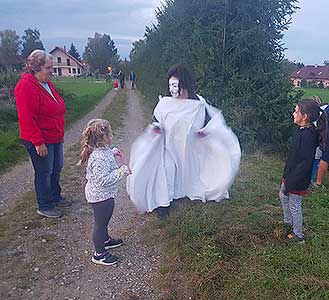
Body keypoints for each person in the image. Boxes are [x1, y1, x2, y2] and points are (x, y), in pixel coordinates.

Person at [126, 64, 241, 216]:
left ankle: (180, 193)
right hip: (167, 148)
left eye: (175, 85)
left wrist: (205, 133)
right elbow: (156, 121)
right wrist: (156, 128)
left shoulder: (198, 105)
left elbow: (211, 123)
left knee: (188, 174)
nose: (172, 89)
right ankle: (164, 203)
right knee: (167, 169)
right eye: (170, 85)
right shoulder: (164, 104)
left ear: (184, 84)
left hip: (189, 150)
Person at [14, 49, 71, 219]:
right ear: (36, 68)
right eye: (48, 68)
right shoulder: (26, 86)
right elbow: (26, 118)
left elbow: (55, 105)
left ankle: (55, 197)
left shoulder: (45, 82)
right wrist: (38, 142)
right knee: (44, 171)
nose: (52, 71)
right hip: (40, 139)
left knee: (56, 168)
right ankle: (45, 205)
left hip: (54, 136)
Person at [78, 119, 131, 266]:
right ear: (102, 139)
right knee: (100, 224)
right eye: (110, 134)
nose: (112, 137)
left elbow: (106, 155)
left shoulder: (101, 150)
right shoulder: (98, 157)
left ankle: (106, 240)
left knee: (104, 220)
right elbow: (103, 180)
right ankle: (99, 254)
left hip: (104, 195)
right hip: (100, 196)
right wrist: (122, 171)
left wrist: (112, 152)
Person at [279, 99, 320, 244]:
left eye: (296, 111)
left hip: (297, 178)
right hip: (290, 174)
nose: (293, 113)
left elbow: (305, 162)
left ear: (305, 116)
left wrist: (292, 181)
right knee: (283, 196)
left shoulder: (308, 135)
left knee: (294, 205)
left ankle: (298, 235)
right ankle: (288, 222)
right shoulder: (301, 130)